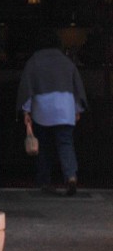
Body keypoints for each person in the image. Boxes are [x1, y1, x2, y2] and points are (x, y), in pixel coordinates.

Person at [16, 32, 87, 195]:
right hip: (66, 108)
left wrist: (26, 111)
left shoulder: (34, 61)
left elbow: (28, 88)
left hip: (43, 109)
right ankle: (71, 176)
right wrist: (77, 110)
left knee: (45, 146)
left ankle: (44, 181)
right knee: (65, 143)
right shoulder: (67, 62)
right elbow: (76, 88)